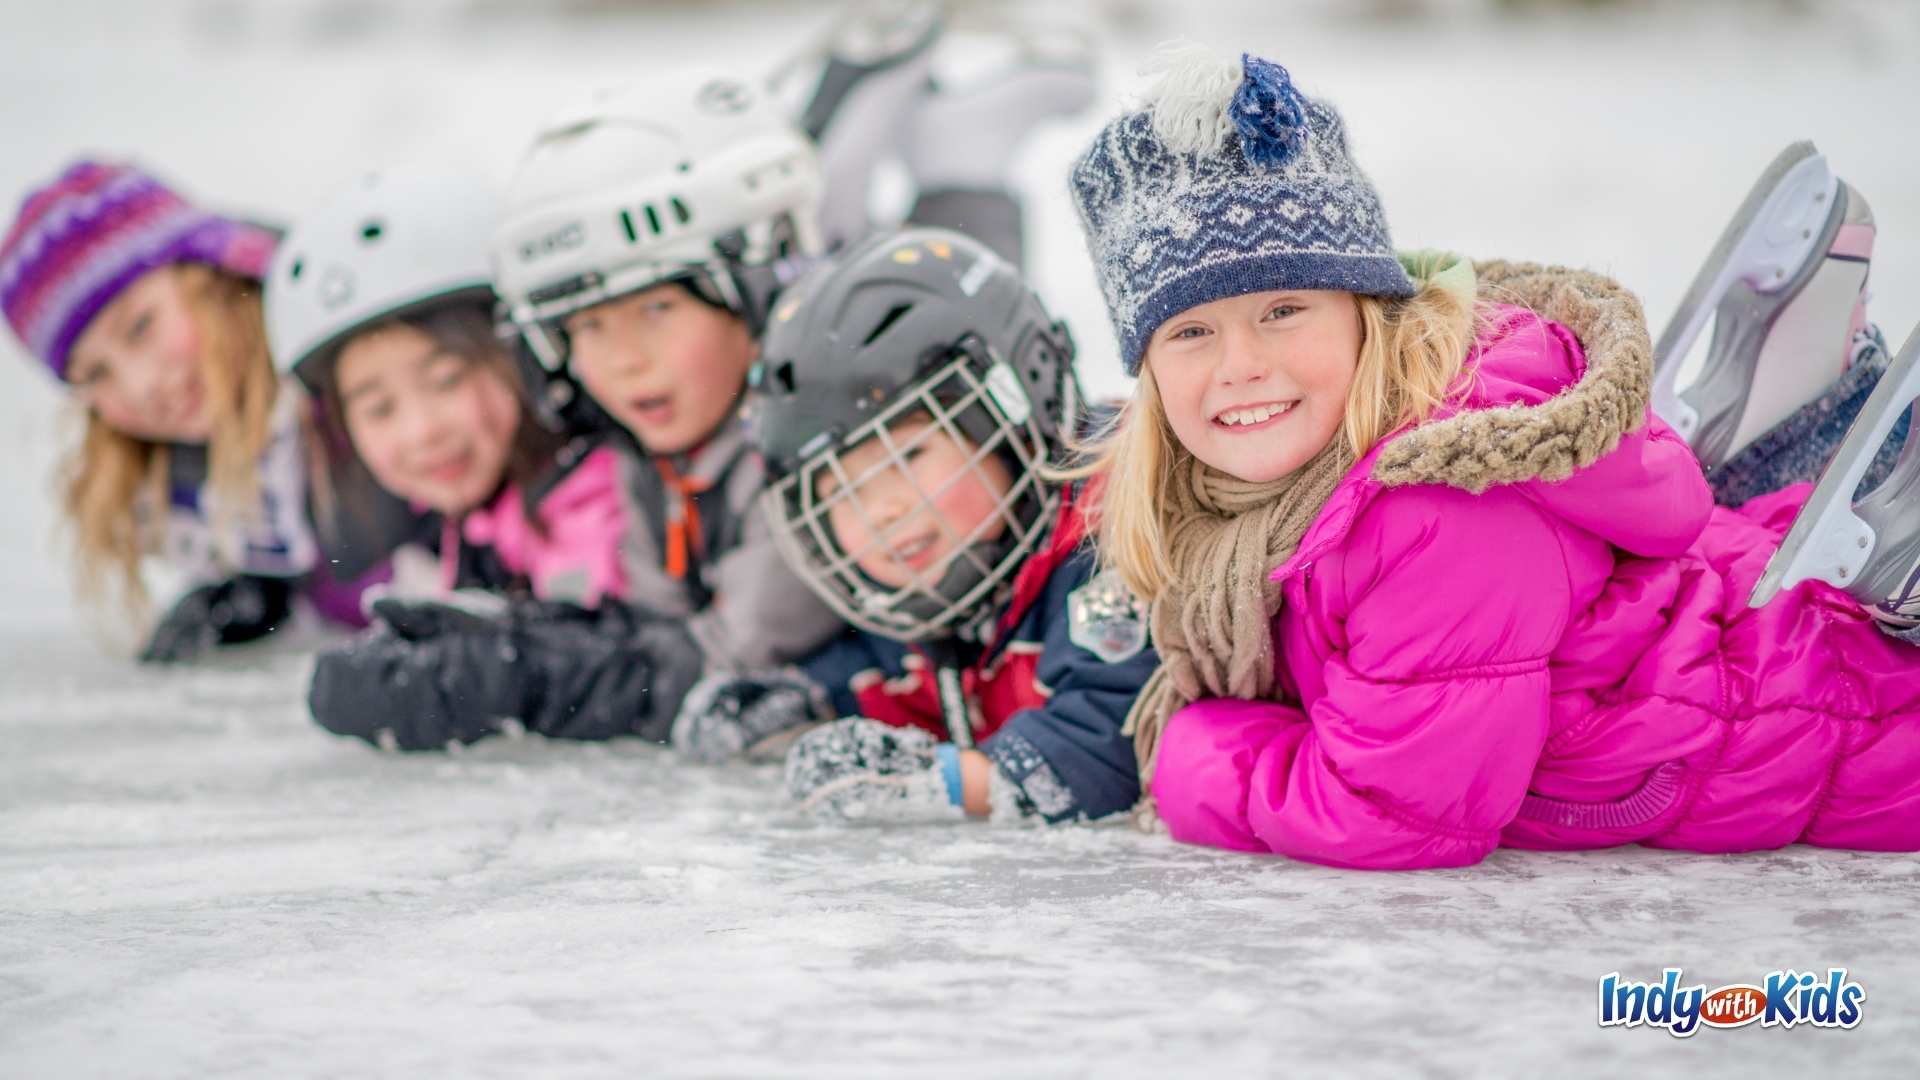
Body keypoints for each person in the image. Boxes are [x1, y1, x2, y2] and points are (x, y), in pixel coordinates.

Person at [1066, 47, 1919, 868]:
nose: (1240, 362)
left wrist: (1190, 757)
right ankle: (1810, 436)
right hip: (1735, 650)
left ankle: (1845, 446)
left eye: (1284, 309)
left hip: (1859, 733)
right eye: (1190, 331)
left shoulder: (1433, 512)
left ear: (1370, 314)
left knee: (1846, 647)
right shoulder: (1263, 500)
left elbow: (1391, 813)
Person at [672, 227, 1156, 824]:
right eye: (836, 490)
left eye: (908, 457)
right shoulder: (931, 586)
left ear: (1017, 403)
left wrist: (945, 784)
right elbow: (877, 672)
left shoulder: (1111, 536)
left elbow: (1112, 746)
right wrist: (802, 700)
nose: (881, 510)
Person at [1, 160, 319, 661]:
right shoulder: (190, 494)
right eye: (95, 375)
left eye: (141, 326)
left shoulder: (361, 379)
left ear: (209, 277)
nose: (141, 385)